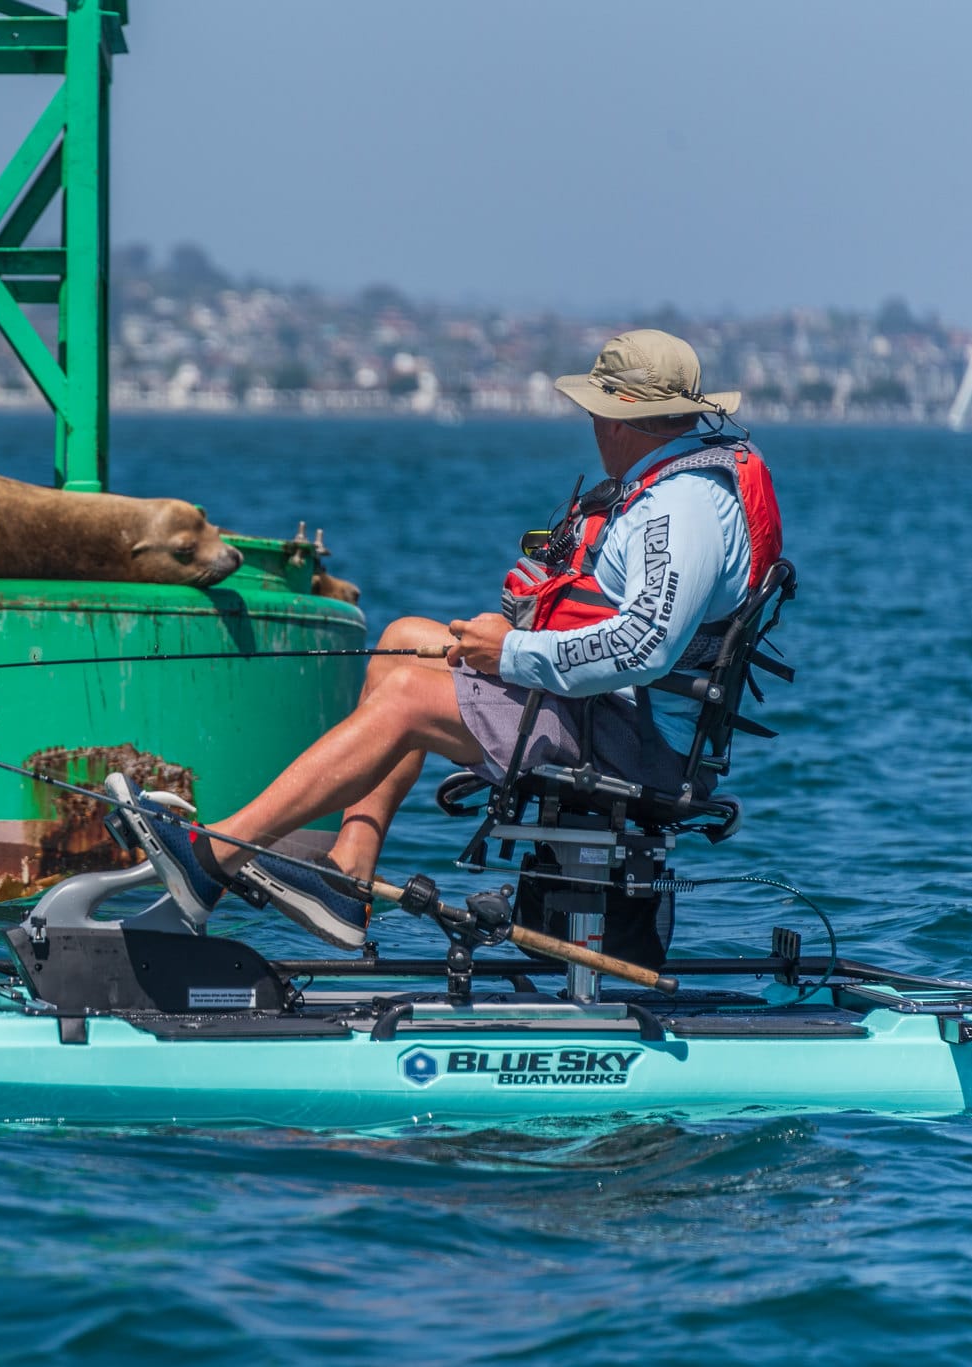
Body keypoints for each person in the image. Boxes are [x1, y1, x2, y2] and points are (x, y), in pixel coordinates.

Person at [107, 329, 783, 949]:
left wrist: (509, 653)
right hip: (608, 711)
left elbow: (642, 647)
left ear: (616, 417)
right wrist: (516, 638)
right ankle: (348, 877)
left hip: (639, 743)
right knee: (404, 640)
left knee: (407, 696)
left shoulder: (680, 507)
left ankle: (210, 860)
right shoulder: (672, 487)